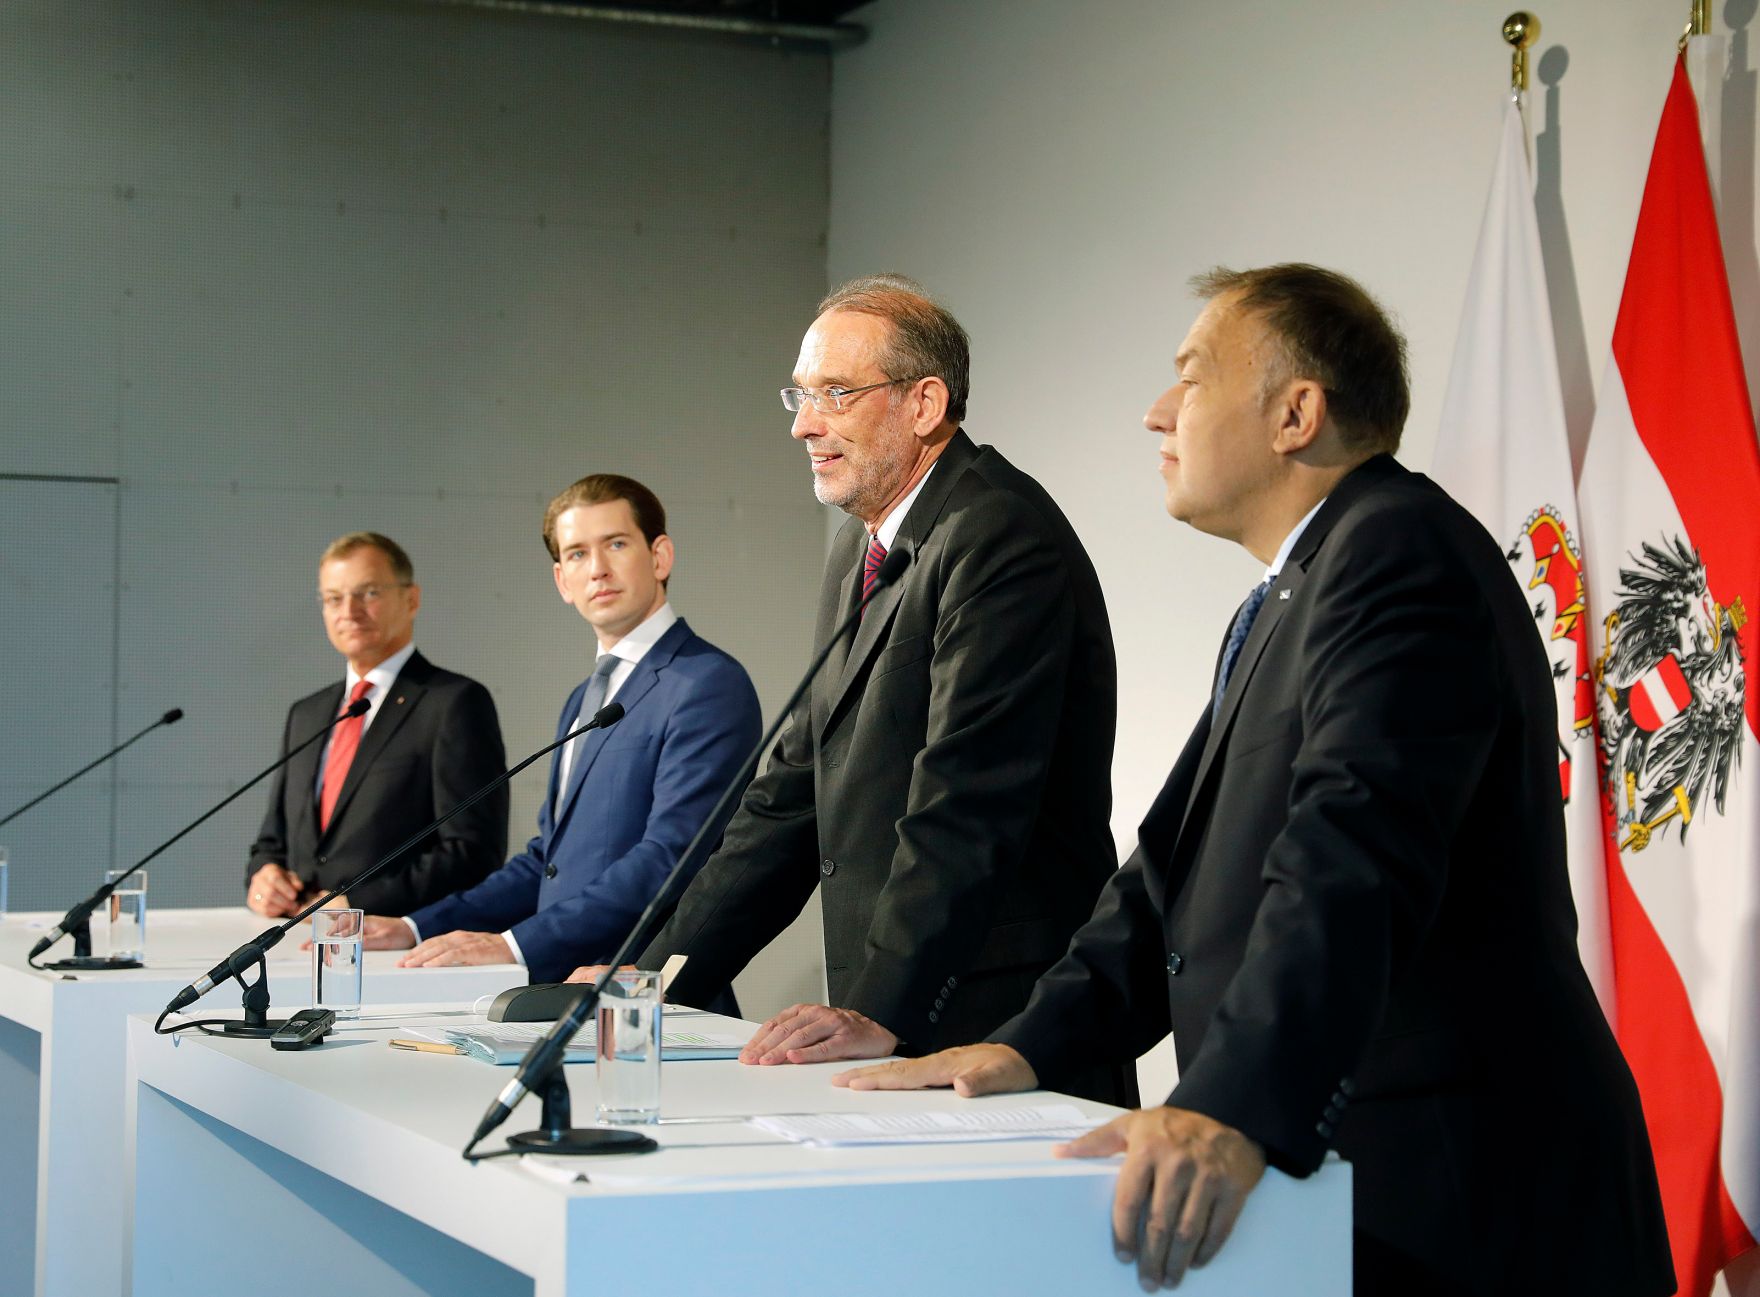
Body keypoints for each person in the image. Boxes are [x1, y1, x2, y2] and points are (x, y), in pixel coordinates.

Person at [836, 265, 1674, 1296]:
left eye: (1188, 378)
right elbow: (1164, 878)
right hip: (1373, 1180)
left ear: (1293, 412)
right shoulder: (1295, 589)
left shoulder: (1395, 552)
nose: (1155, 411)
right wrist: (1018, 1050)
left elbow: (1352, 854)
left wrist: (1234, 1105)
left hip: (1461, 1184)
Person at [611, 275, 1127, 1103]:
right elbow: (783, 803)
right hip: (894, 1026)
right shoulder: (861, 551)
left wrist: (880, 1006)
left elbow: (967, 805)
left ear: (924, 403)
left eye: (835, 394)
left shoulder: (998, 534)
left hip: (991, 1021)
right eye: (801, 394)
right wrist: (641, 984)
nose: (802, 423)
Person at [357, 475, 761, 985]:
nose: (597, 569)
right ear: (561, 582)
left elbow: (671, 858)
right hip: (556, 993)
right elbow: (548, 862)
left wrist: (514, 945)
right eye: (576, 554)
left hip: (642, 1003)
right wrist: (417, 929)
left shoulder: (705, 683)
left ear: (659, 557)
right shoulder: (585, 697)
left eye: (615, 544)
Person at [248, 532, 508, 918]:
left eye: (368, 593)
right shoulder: (307, 714)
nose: (348, 611)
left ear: (411, 599)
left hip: (396, 946)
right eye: (334, 598)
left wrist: (356, 904)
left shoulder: (453, 703)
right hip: (298, 939)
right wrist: (264, 875)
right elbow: (273, 841)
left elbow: (472, 851)